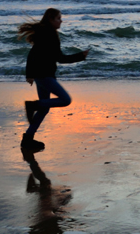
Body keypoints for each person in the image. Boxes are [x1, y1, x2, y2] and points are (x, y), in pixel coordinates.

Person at [17, 8, 88, 150]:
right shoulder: (50, 34)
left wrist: (29, 74)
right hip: (44, 76)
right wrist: (80, 56)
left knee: (44, 108)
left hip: (40, 75)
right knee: (65, 100)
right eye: (58, 18)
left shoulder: (45, 33)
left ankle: (28, 139)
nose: (61, 21)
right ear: (50, 19)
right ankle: (32, 105)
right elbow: (60, 58)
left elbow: (33, 54)